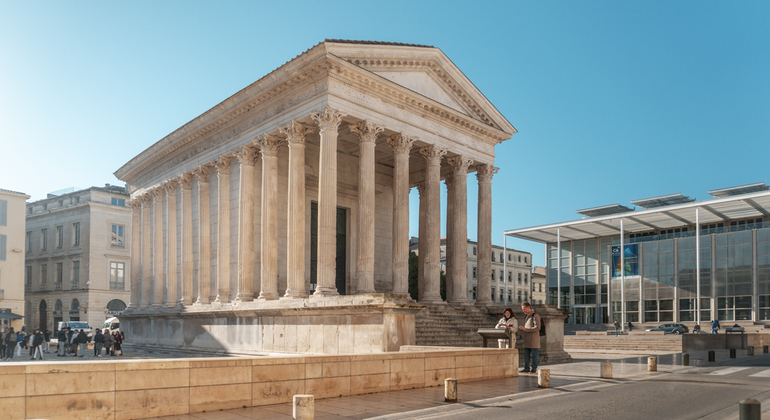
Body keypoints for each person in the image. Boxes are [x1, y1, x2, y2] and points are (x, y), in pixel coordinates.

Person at [518, 301, 541, 374]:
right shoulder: (527, 316)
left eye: (524, 309)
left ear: (529, 308)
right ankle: (526, 368)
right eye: (522, 309)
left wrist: (526, 329)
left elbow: (537, 327)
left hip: (533, 339)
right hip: (527, 339)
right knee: (526, 355)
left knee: (534, 355)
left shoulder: (535, 316)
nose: (523, 311)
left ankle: (534, 368)